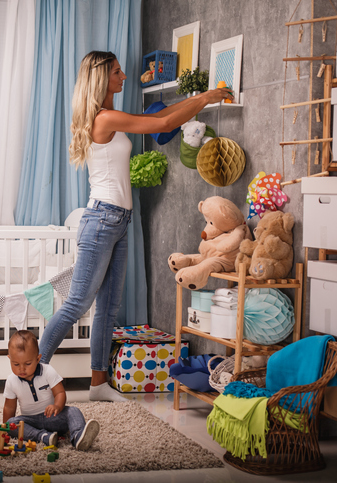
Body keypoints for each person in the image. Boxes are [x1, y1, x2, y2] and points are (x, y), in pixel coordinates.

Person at [38, 51, 233, 403]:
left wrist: (196, 102)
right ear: (101, 78)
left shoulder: (111, 117)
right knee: (77, 304)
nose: (124, 76)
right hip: (101, 220)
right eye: (116, 72)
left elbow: (163, 120)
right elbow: (161, 125)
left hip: (117, 221)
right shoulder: (105, 118)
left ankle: (98, 384)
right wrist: (203, 98)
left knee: (108, 308)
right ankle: (33, 376)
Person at [3, 330, 100, 451]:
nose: (22, 369)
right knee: (11, 423)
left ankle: (78, 436)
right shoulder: (11, 380)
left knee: (73, 411)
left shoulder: (47, 371)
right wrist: (4, 429)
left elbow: (60, 392)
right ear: (9, 358)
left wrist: (57, 406)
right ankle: (44, 437)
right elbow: (9, 408)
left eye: (28, 363)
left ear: (38, 359)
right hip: (30, 421)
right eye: (16, 364)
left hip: (53, 417)